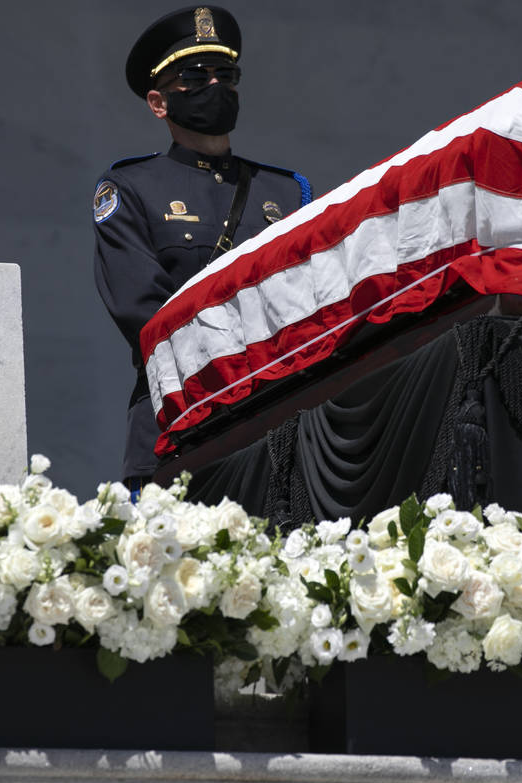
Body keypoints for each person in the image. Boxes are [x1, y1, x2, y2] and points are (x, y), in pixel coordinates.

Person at [93, 5, 311, 491]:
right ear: (159, 101)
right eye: (195, 75)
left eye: (226, 74)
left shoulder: (284, 192)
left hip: (276, 420)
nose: (215, 86)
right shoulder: (131, 187)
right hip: (179, 423)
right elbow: (143, 313)